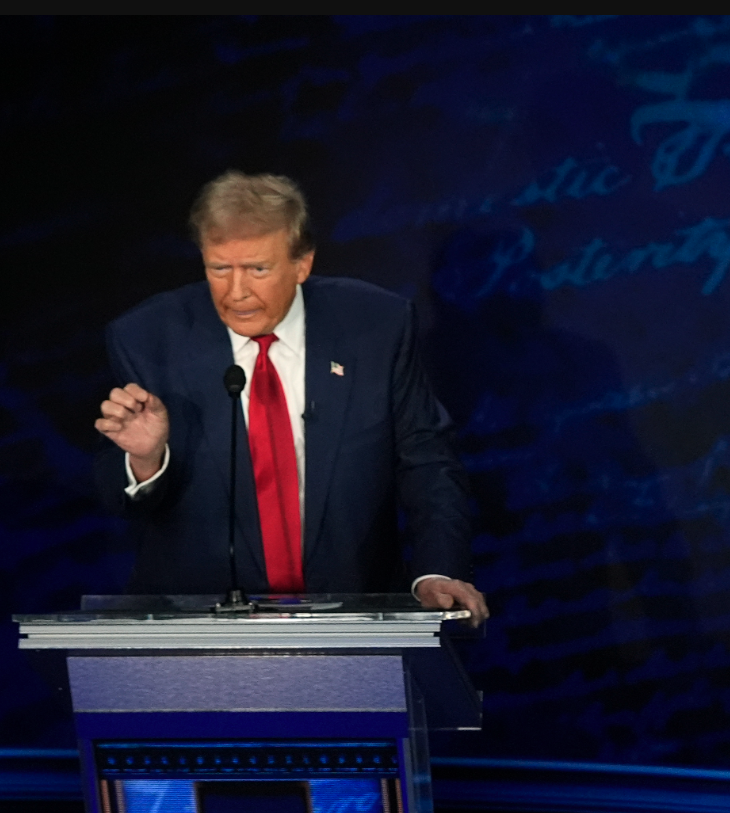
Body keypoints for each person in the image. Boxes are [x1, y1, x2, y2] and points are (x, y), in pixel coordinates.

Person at [90, 171, 489, 623]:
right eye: (219, 269)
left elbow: (427, 461)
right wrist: (146, 460)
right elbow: (113, 495)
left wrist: (437, 571)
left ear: (302, 264)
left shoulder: (376, 326)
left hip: (354, 617)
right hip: (198, 626)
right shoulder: (147, 338)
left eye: (257, 269)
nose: (236, 292)